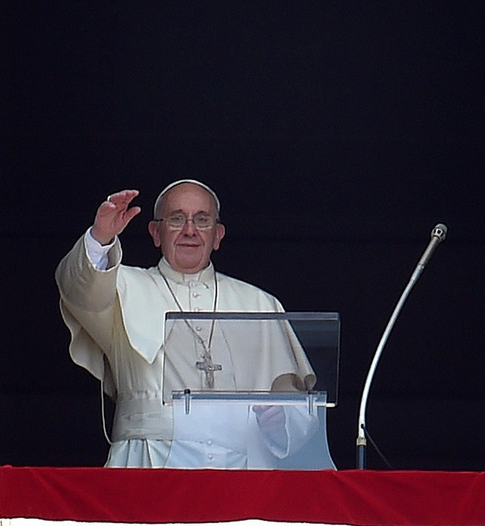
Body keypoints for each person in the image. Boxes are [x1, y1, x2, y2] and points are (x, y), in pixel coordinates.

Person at [55, 180, 318, 468]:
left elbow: (299, 407)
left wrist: (281, 424)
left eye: (202, 220)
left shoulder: (259, 304)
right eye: (177, 219)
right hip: (147, 463)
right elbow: (76, 290)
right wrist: (100, 238)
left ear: (218, 236)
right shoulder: (120, 287)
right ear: (156, 233)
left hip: (240, 471)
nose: (190, 230)